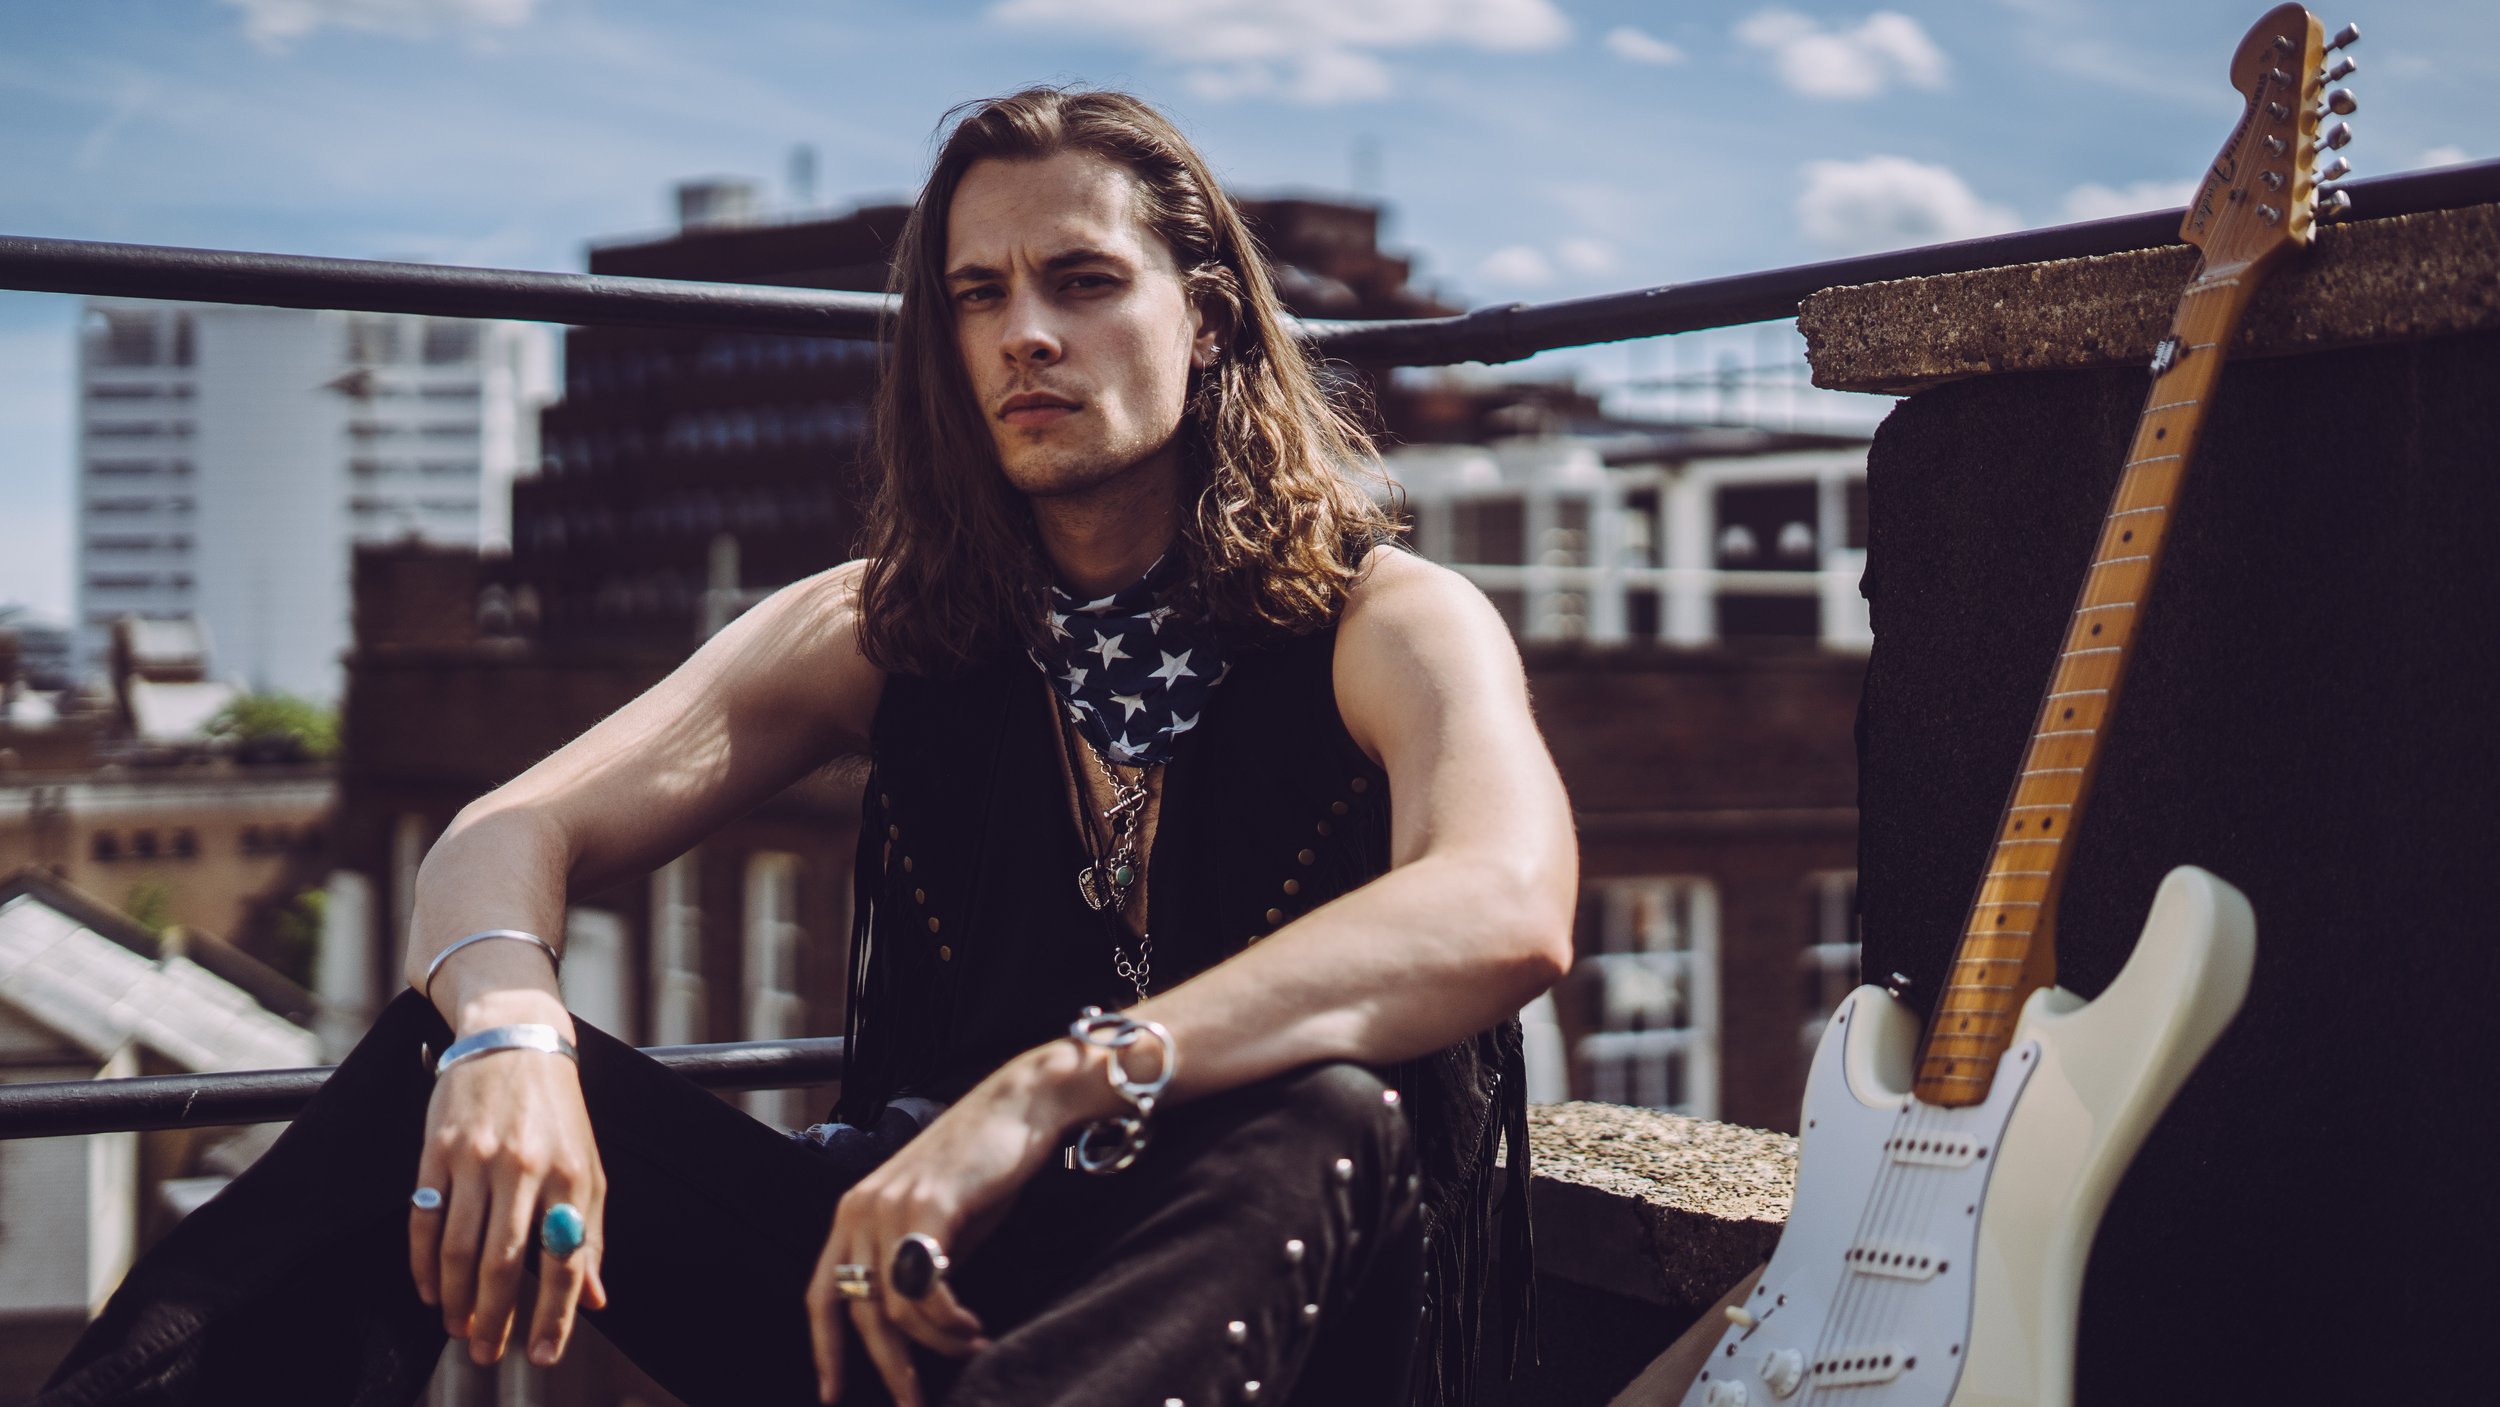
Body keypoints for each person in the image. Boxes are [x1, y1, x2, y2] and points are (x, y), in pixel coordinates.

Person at [40, 88, 1578, 1407]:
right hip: (907, 1276)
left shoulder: (1387, 616)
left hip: (1245, 1299)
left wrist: (1054, 1086)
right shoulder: (888, 623)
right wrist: (514, 1045)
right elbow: (504, 835)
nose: (1025, 335)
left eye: (1084, 280)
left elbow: (1505, 905)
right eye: (977, 295)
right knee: (437, 1062)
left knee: (1331, 1106)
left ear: (1211, 316)